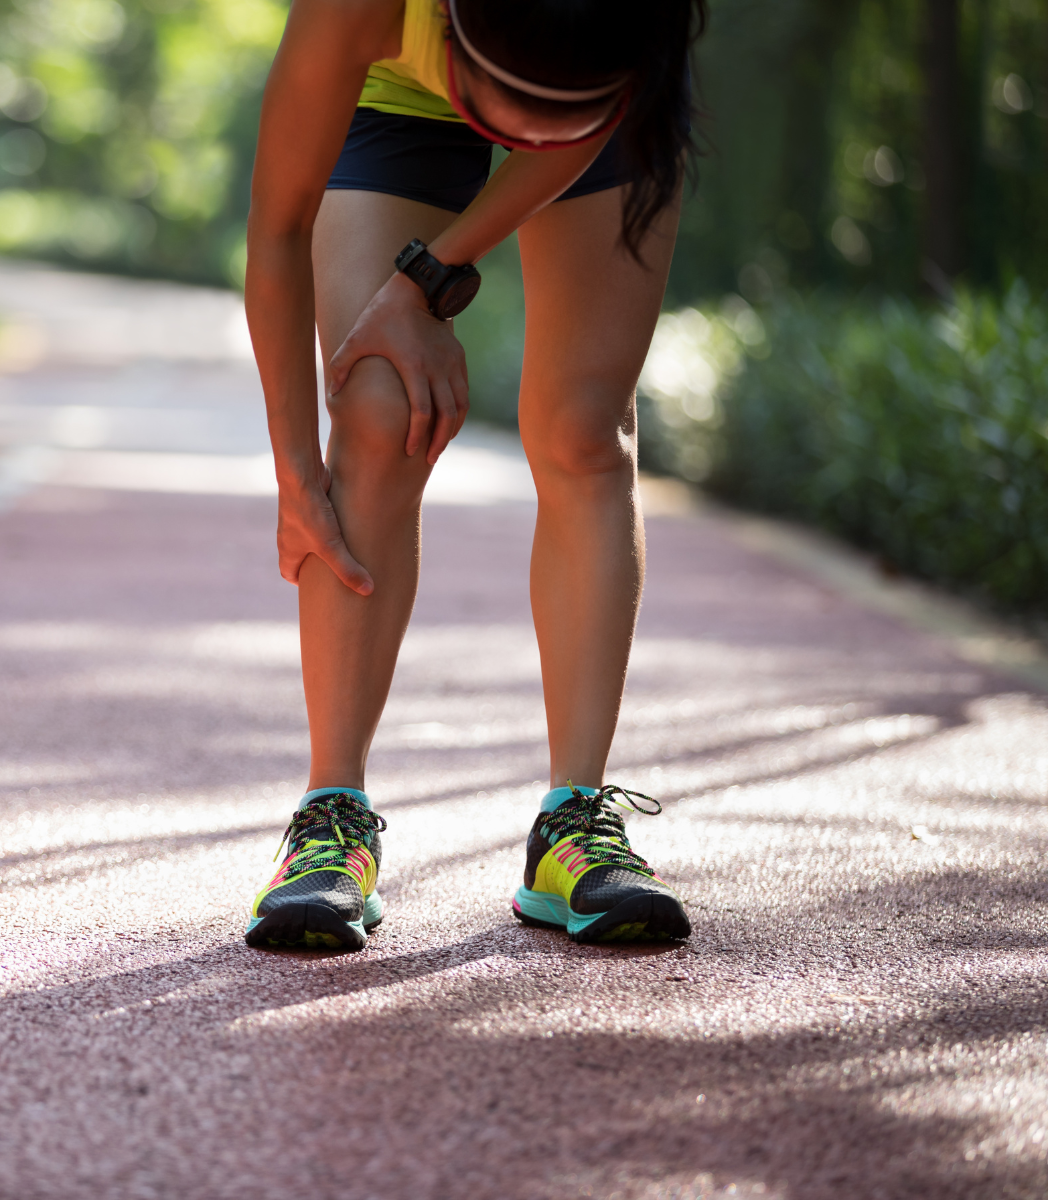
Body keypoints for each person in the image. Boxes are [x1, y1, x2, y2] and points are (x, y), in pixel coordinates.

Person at [242, 0, 704, 950]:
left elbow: (571, 126)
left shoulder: (633, 34)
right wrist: (296, 475)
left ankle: (572, 824)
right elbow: (278, 227)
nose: (514, 138)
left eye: (542, 117)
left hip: (606, 91)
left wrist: (429, 277)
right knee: (377, 406)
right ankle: (331, 820)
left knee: (581, 432)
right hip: (396, 99)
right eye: (504, 110)